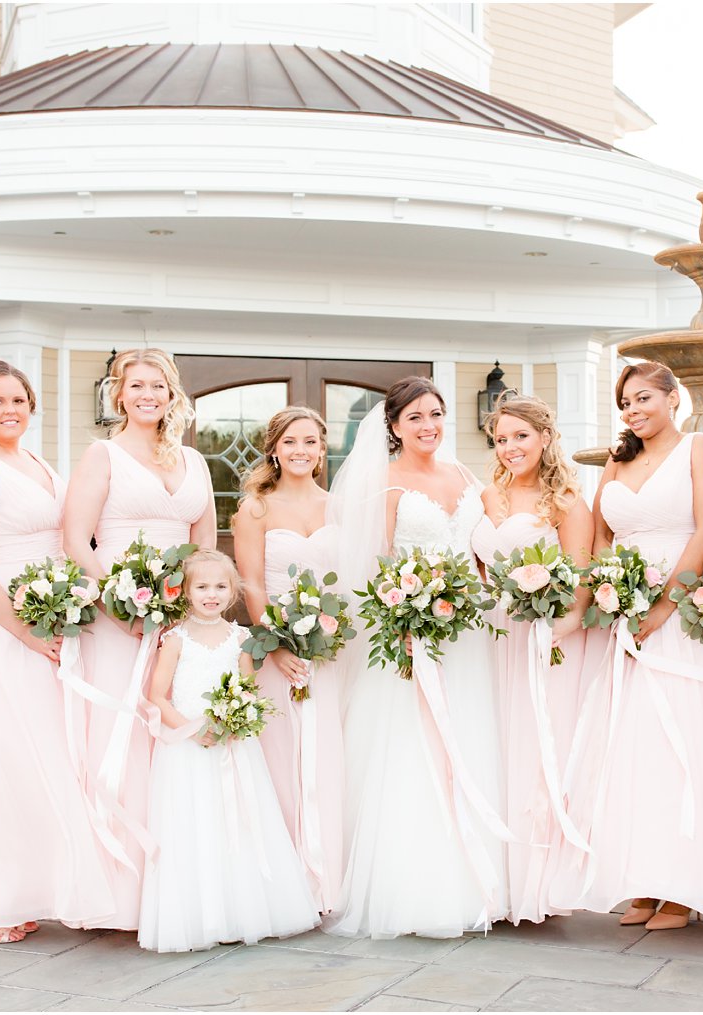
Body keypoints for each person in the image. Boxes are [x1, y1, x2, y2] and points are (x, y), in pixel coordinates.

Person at [549, 360, 703, 931]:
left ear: (673, 397)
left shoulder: (699, 448)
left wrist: (663, 605)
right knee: (631, 747)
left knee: (680, 741)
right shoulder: (617, 459)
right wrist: (613, 593)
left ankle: (683, 888)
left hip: (682, 613)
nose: (633, 410)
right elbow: (604, 534)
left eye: (644, 398)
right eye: (625, 402)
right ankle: (645, 881)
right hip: (626, 613)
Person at [0, 359, 114, 944]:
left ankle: (39, 884)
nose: (10, 410)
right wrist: (25, 631)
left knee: (46, 752)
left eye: (18, 401)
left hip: (46, 615)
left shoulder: (35, 463)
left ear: (31, 408)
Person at [325, 376, 507, 939]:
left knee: (467, 743)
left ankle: (478, 882)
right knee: (412, 749)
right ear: (394, 428)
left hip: (468, 632)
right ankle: (415, 890)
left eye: (436, 415)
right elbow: (375, 565)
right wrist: (403, 620)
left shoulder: (467, 476)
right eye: (415, 419)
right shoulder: (383, 484)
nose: (428, 427)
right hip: (411, 633)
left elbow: (489, 545)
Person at [61, 347, 215, 930]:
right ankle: (119, 891)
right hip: (118, 618)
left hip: (179, 620)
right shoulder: (102, 454)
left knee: (174, 737)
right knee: (121, 737)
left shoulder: (195, 461)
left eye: (158, 385)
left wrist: (194, 609)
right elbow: (77, 539)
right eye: (137, 386)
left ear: (172, 393)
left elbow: (204, 547)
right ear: (118, 395)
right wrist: (121, 601)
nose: (148, 394)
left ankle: (176, 884)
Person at [138, 548, 320, 952]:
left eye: (220, 586)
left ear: (233, 591)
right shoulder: (175, 639)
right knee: (195, 824)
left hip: (235, 744)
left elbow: (247, 689)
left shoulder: (241, 638)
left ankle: (241, 911)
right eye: (201, 586)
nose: (211, 594)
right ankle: (201, 916)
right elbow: (157, 697)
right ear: (184, 592)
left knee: (236, 821)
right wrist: (191, 729)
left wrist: (235, 719)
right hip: (187, 748)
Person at [471, 394, 594, 925]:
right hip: (491, 637)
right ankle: (497, 881)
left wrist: (556, 630)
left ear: (545, 437)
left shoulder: (565, 500)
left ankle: (538, 887)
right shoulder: (486, 496)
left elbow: (582, 578)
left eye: (520, 436)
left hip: (543, 639)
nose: (510, 447)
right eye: (501, 439)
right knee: (496, 748)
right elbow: (478, 567)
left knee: (537, 749)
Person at [232, 406, 344, 912]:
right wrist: (274, 645)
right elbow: (251, 583)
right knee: (280, 757)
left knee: (330, 756)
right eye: (291, 441)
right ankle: (285, 882)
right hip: (277, 650)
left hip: (335, 650)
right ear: (274, 448)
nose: (301, 450)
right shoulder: (254, 509)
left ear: (323, 451)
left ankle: (329, 879)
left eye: (311, 442)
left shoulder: (339, 507)